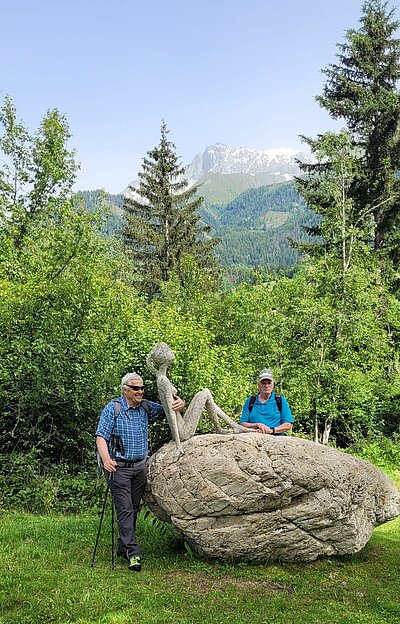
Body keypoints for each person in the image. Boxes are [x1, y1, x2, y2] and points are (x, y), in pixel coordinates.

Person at [95, 372, 185, 572]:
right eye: (136, 388)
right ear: (125, 390)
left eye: (142, 388)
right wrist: (106, 459)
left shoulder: (145, 407)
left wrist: (180, 403)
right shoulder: (114, 408)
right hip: (118, 468)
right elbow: (101, 436)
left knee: (133, 508)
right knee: (125, 509)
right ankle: (133, 553)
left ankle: (123, 545)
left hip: (140, 467)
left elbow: (168, 410)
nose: (140, 392)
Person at [240, 368, 294, 435]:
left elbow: (288, 425)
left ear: (273, 384)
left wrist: (272, 430)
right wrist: (258, 425)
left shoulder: (280, 400)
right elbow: (243, 423)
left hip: (277, 440)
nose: (266, 386)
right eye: (263, 383)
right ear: (258, 385)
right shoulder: (250, 401)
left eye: (269, 383)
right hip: (255, 438)